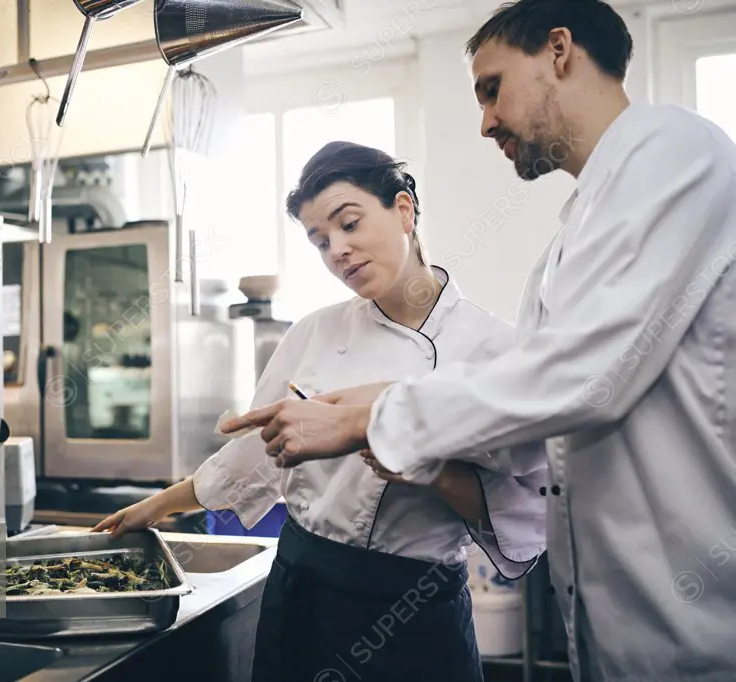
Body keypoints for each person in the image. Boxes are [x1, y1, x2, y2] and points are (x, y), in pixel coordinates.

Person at [220, 1, 736, 681]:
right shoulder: (570, 239)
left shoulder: (672, 151)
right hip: (624, 630)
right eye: (319, 241)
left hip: (690, 626)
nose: (485, 121)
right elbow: (535, 428)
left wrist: (371, 421)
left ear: (558, 50)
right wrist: (385, 412)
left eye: (491, 87)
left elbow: (579, 380)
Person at [94, 141, 548, 682]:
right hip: (303, 587)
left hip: (412, 605)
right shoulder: (315, 332)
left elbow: (522, 510)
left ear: (404, 210)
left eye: (349, 224)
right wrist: (157, 508)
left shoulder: (494, 348)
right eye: (320, 240)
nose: (338, 250)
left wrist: (427, 470)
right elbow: (250, 456)